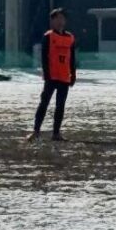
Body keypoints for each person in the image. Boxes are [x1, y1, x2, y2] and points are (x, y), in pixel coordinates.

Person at [29, 8, 77, 142]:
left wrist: (73, 74)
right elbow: (44, 57)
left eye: (63, 18)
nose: (61, 21)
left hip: (64, 77)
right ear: (52, 20)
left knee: (60, 106)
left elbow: (72, 58)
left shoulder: (70, 37)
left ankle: (56, 133)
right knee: (44, 103)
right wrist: (47, 73)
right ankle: (36, 131)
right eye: (58, 18)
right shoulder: (48, 36)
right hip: (51, 77)